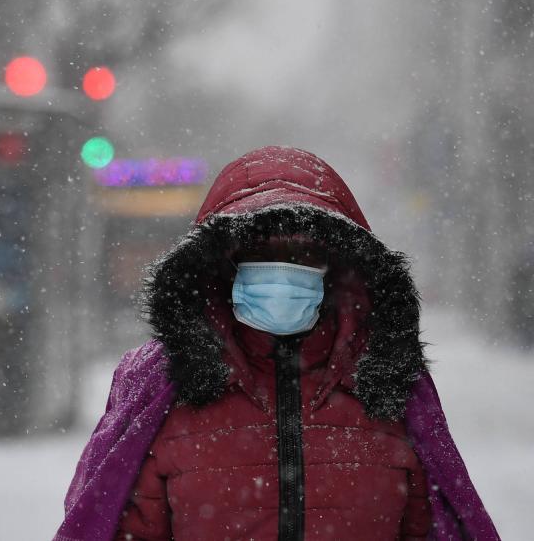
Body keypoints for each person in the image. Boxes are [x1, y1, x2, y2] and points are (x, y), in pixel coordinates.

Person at [57, 146, 498, 541]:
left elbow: (435, 525)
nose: (283, 273)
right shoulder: (162, 387)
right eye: (260, 254)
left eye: (303, 255)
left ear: (338, 265)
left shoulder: (389, 385)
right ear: (223, 264)